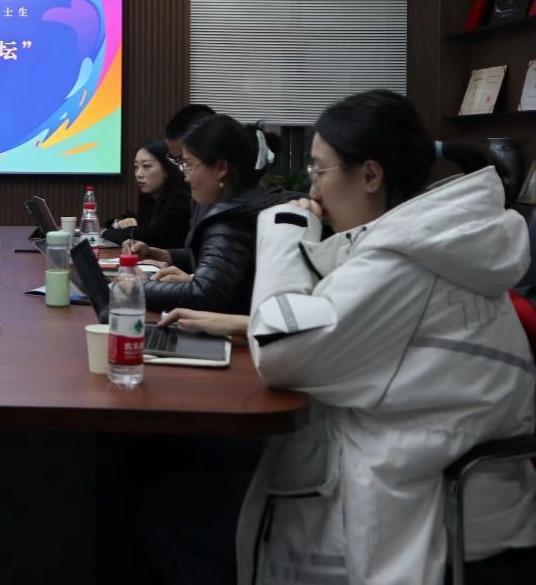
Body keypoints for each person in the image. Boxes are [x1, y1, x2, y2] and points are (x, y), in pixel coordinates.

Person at [157, 90, 536, 583]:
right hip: (423, 479)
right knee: (183, 479)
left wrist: (287, 229)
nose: (312, 189)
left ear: (370, 176)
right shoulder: (424, 244)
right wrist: (249, 321)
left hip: (423, 510)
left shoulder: (403, 261)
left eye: (319, 170)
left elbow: (282, 352)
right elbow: (343, 324)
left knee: (169, 509)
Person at [125, 115, 292, 314]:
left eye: (189, 165)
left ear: (221, 168)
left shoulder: (231, 218)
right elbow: (215, 261)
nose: (185, 177)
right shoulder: (252, 199)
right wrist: (158, 254)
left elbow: (203, 295)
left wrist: (134, 287)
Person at [103, 139, 191, 250]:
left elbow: (148, 237)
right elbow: (140, 228)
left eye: (146, 166)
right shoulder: (152, 199)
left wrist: (106, 233)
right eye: (136, 167)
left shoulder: (181, 200)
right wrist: (118, 224)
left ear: (167, 169)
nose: (139, 174)